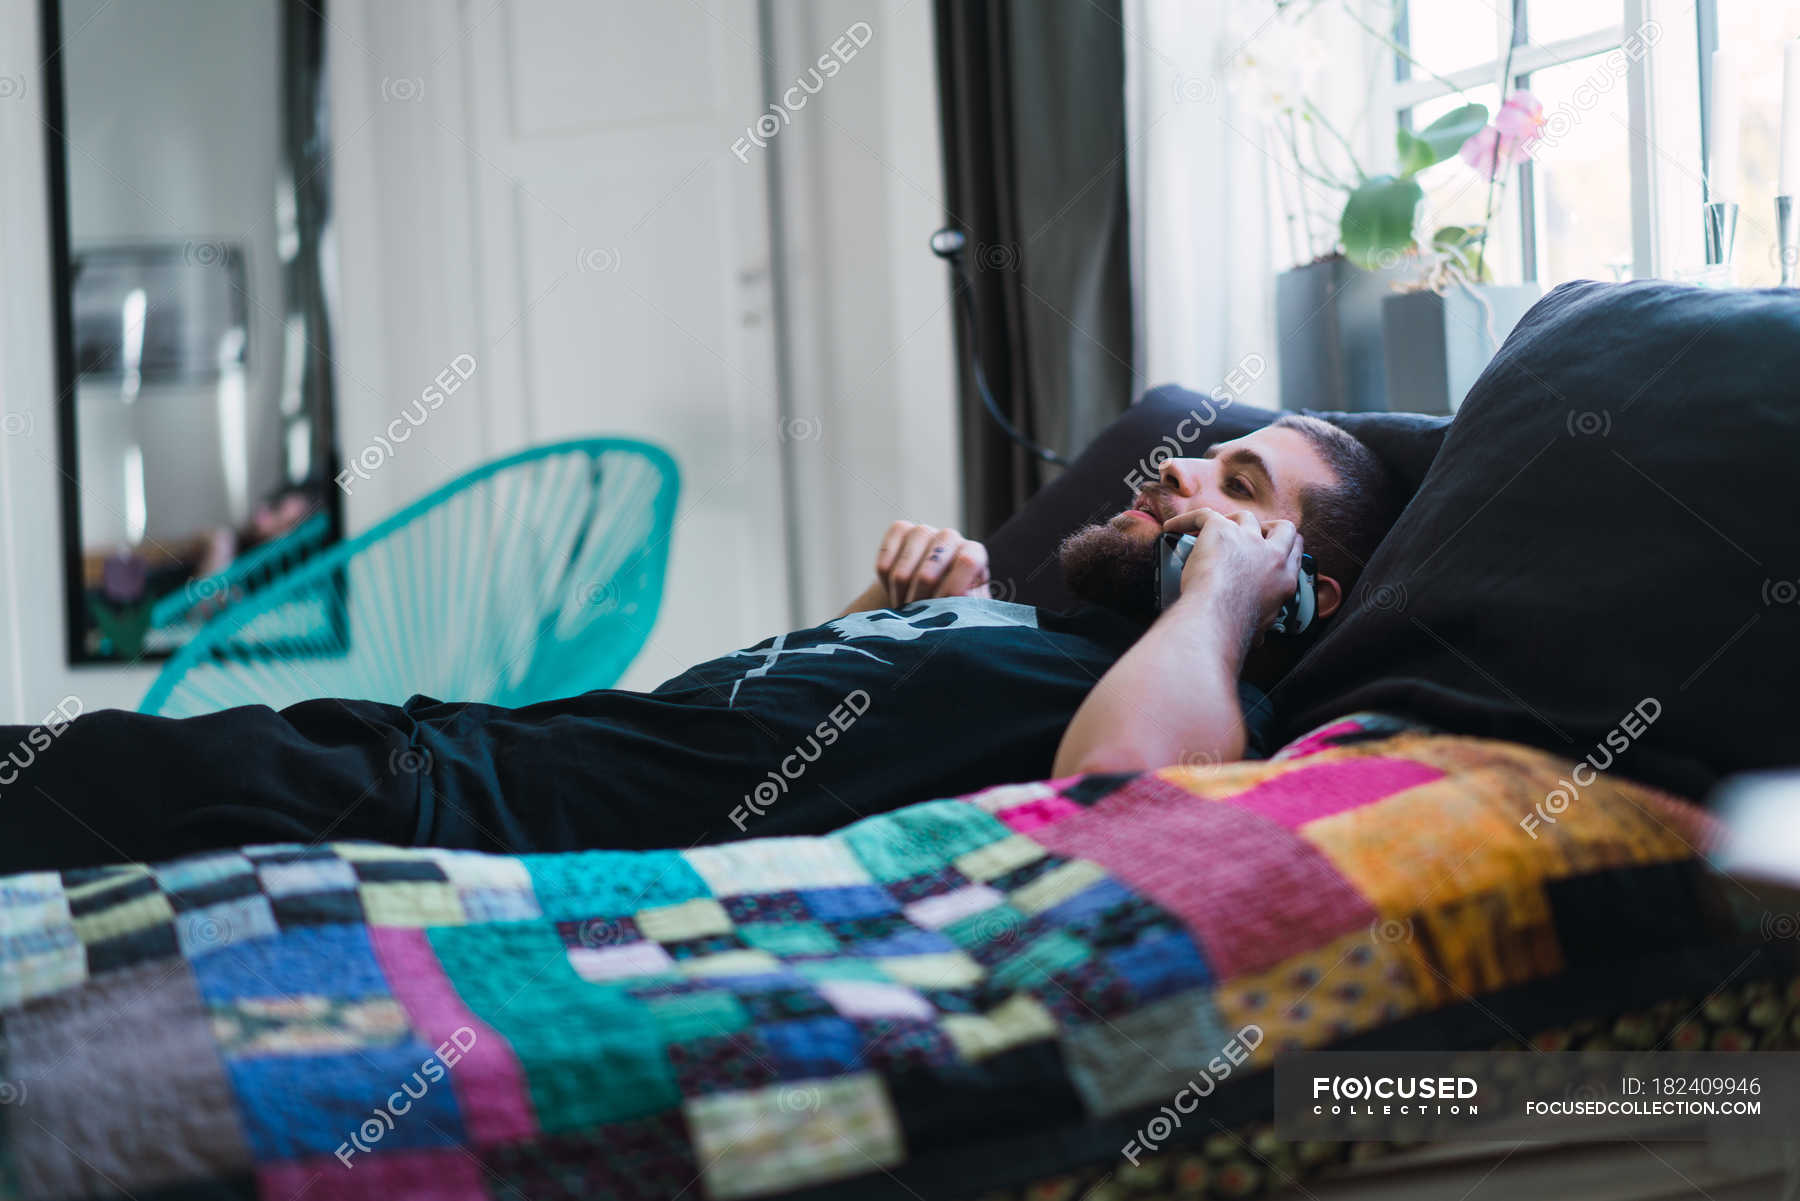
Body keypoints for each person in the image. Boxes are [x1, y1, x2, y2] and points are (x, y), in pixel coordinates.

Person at [2, 416, 1396, 874]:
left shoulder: (1209, 706)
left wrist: (1217, 598)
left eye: (1243, 493)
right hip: (425, 757)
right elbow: (720, 719)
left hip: (443, 820)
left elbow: (1121, 805)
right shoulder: (1033, 636)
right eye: (1198, 454)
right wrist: (897, 614)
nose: (1181, 475)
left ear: (1297, 586)